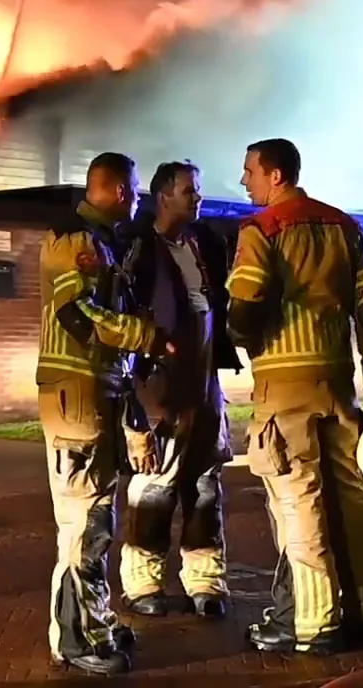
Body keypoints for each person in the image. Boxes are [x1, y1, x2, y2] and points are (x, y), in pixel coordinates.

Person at [226, 137, 363, 655]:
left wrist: (242, 331)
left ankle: (315, 621)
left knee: (299, 503)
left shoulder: (261, 230)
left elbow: (243, 310)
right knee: (351, 500)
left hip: (284, 389)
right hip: (339, 385)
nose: (243, 181)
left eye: (249, 171)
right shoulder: (344, 226)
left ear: (275, 175)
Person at [36, 152, 170, 676]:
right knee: (83, 523)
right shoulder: (73, 239)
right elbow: (77, 314)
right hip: (76, 400)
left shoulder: (100, 242)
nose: (136, 200)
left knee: (98, 520)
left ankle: (94, 622)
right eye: (133, 190)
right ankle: (74, 640)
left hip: (96, 396)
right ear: (116, 190)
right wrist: (143, 333)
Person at [116, 161, 242, 621]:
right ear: (163, 196)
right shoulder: (136, 248)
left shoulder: (205, 244)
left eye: (199, 190)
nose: (198, 198)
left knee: (206, 487)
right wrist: (137, 408)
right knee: (154, 487)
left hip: (205, 388)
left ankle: (205, 580)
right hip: (160, 392)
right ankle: (143, 582)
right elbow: (123, 326)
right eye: (190, 191)